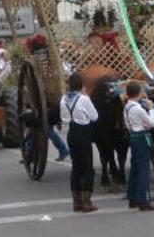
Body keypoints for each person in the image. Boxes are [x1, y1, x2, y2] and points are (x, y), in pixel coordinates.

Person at [60, 73, 99, 213]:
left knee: (76, 168)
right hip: (83, 133)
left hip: (71, 133)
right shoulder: (84, 99)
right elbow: (95, 117)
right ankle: (87, 202)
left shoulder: (63, 99)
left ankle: (77, 203)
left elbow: (64, 119)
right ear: (81, 85)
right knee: (87, 168)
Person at [123, 81, 154, 210]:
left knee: (135, 167)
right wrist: (151, 110)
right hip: (142, 138)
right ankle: (144, 200)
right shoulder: (138, 108)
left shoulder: (127, 107)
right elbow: (151, 123)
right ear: (139, 93)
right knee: (144, 169)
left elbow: (127, 125)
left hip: (133, 136)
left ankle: (132, 197)